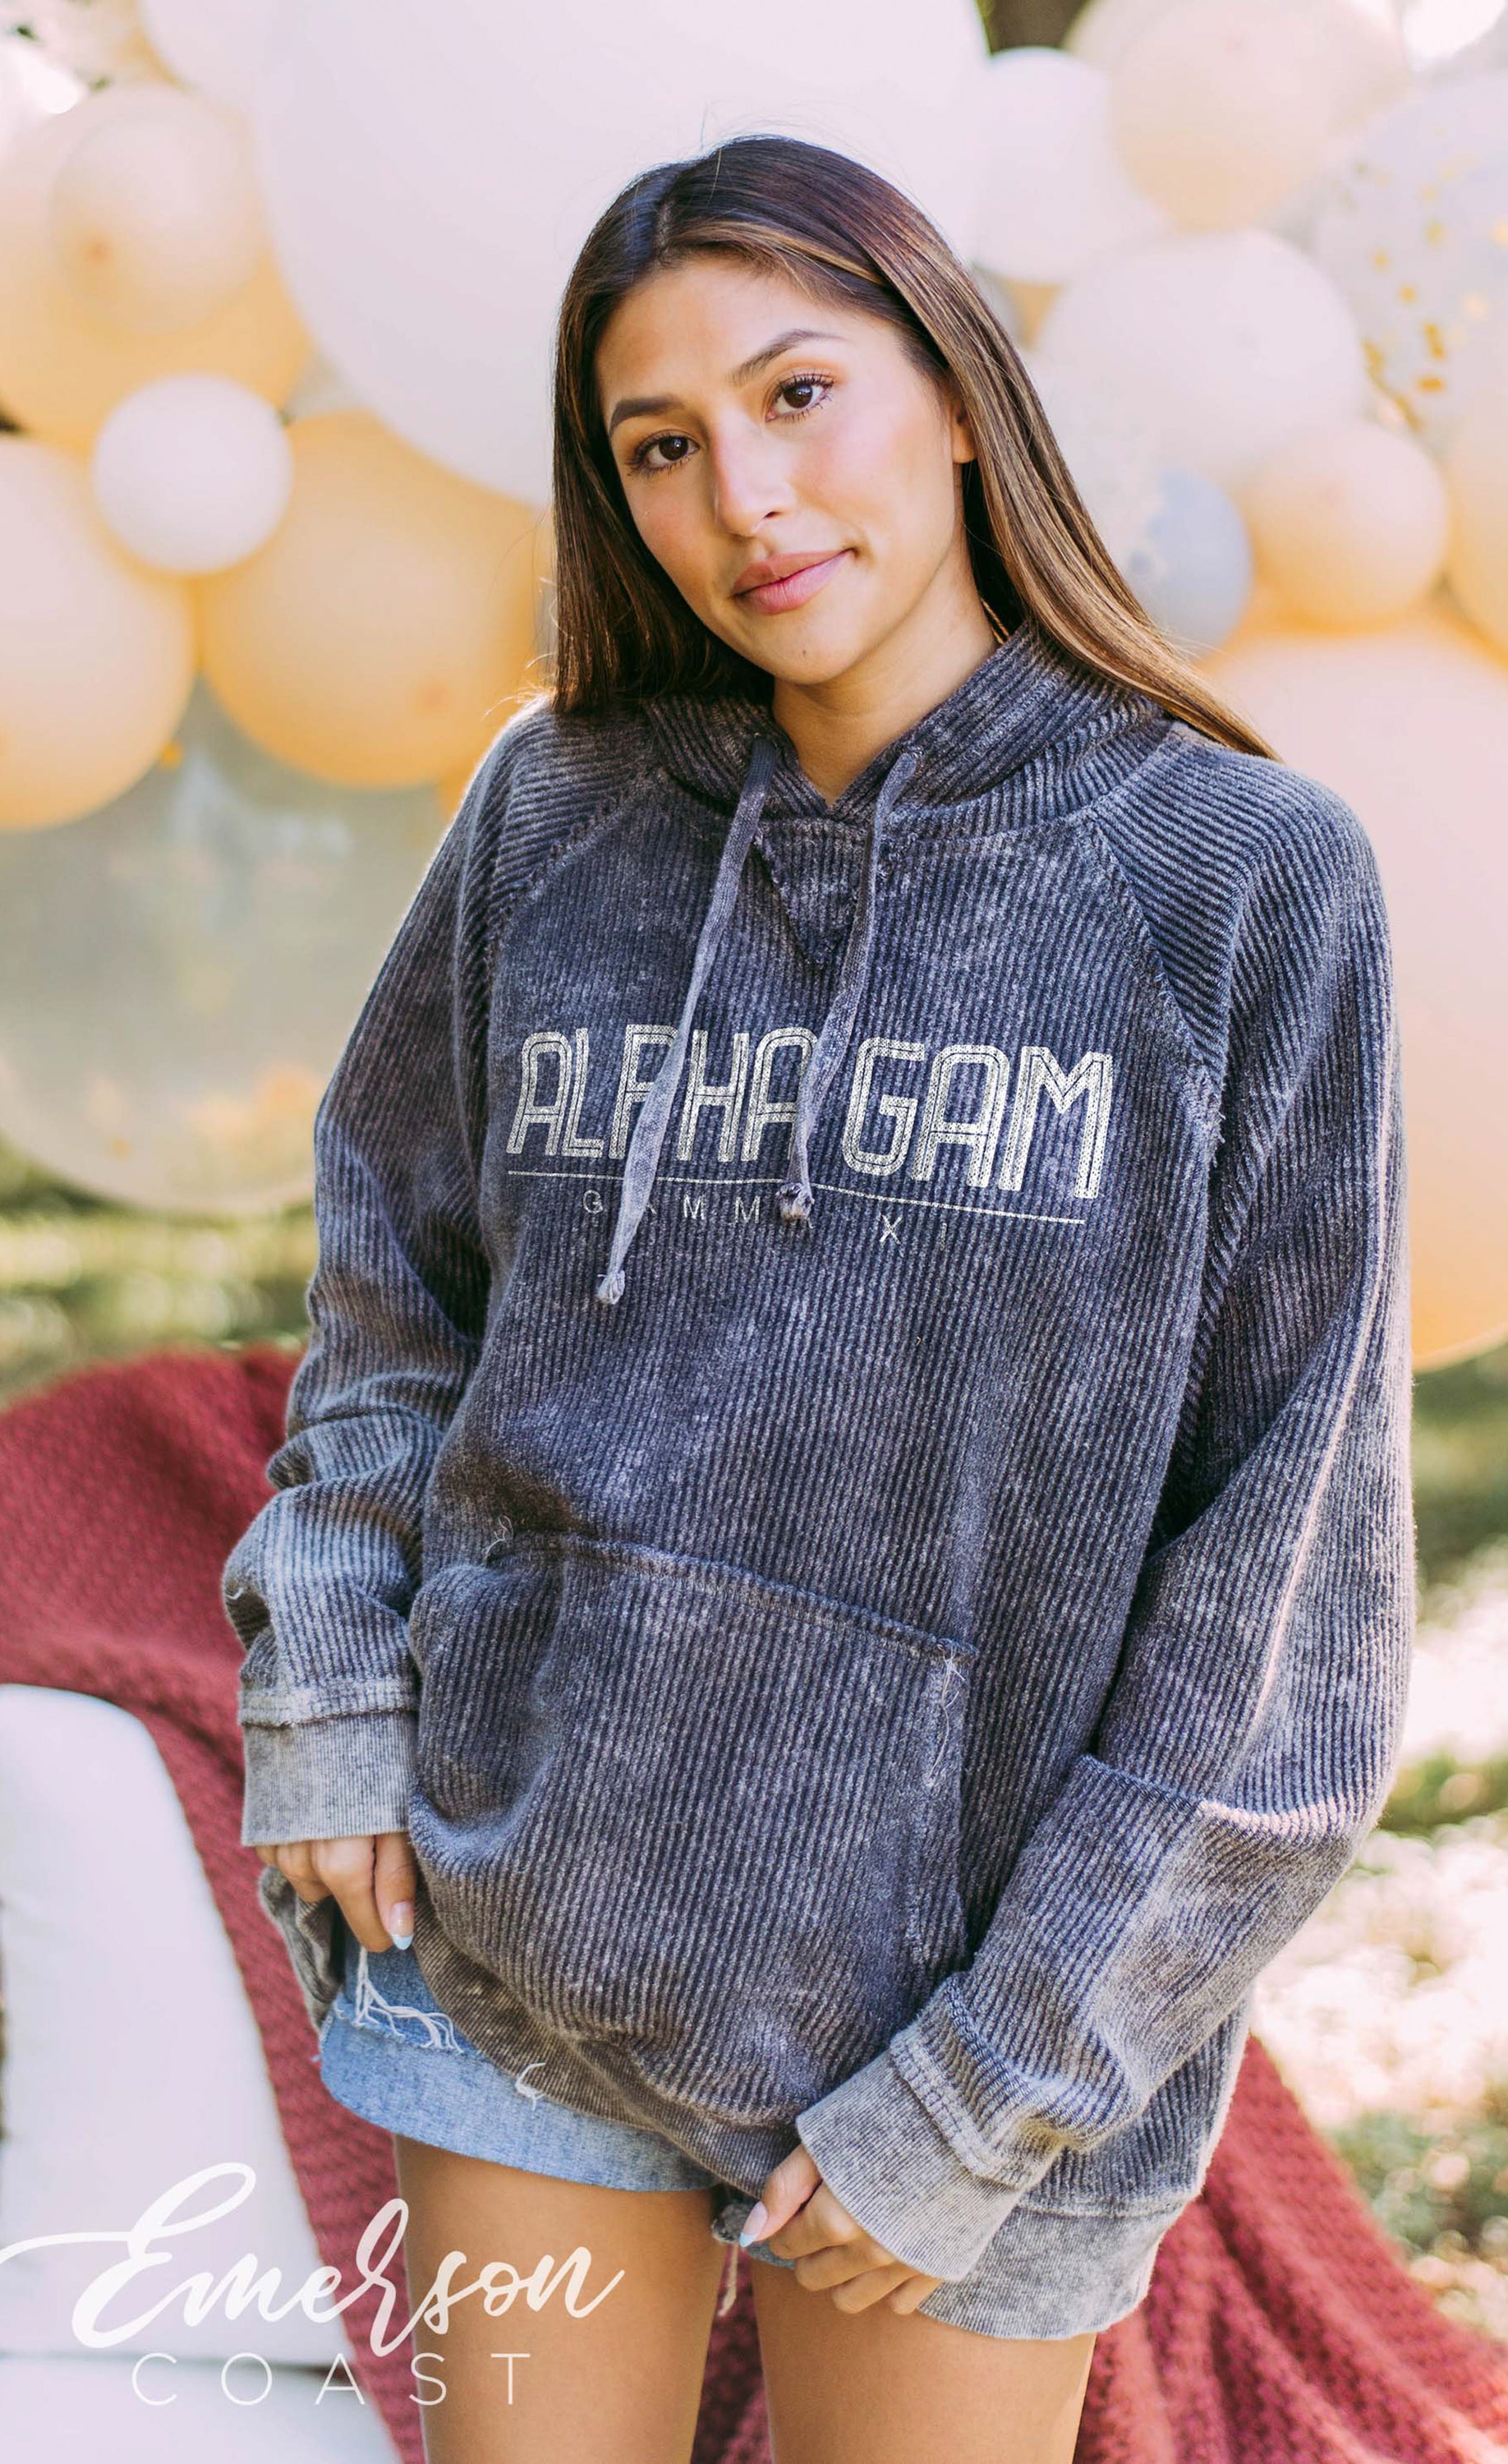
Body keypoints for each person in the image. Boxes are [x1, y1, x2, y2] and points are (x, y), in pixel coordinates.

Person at [223, 132, 1415, 2464]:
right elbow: (394, 1297)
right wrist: (336, 1686)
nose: (744, 500)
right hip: (523, 1925)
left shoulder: (1244, 883)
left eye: (798, 396)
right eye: (659, 447)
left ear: (955, 391)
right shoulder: (555, 816)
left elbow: (1283, 1606)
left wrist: (994, 2082)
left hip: (968, 2018)